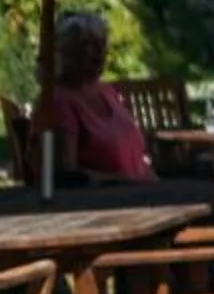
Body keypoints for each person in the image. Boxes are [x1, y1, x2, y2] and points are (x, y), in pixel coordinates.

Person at [35, 9, 157, 180]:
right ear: (66, 53)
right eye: (89, 45)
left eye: (102, 44)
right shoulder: (59, 101)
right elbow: (63, 176)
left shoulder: (106, 91)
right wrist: (127, 181)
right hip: (107, 200)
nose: (100, 52)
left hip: (145, 193)